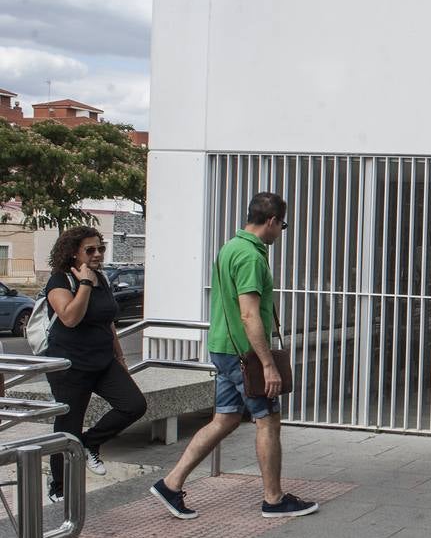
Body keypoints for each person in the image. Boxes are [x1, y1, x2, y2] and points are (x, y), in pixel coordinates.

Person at [149, 191, 316, 520]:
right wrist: (268, 364)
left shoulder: (231, 247)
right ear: (270, 221)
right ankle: (273, 499)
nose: (281, 231)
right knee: (268, 421)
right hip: (245, 355)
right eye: (282, 225)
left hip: (223, 348)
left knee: (224, 419)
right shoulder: (251, 257)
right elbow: (250, 315)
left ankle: (171, 484)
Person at [43, 226, 147, 502]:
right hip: (69, 366)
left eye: (100, 248)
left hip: (103, 361)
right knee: (68, 426)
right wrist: (85, 284)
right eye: (90, 250)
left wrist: (120, 356)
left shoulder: (101, 277)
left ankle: (90, 443)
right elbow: (69, 317)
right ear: (73, 252)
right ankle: (59, 487)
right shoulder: (60, 280)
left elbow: (107, 321)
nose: (98, 253)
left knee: (134, 404)